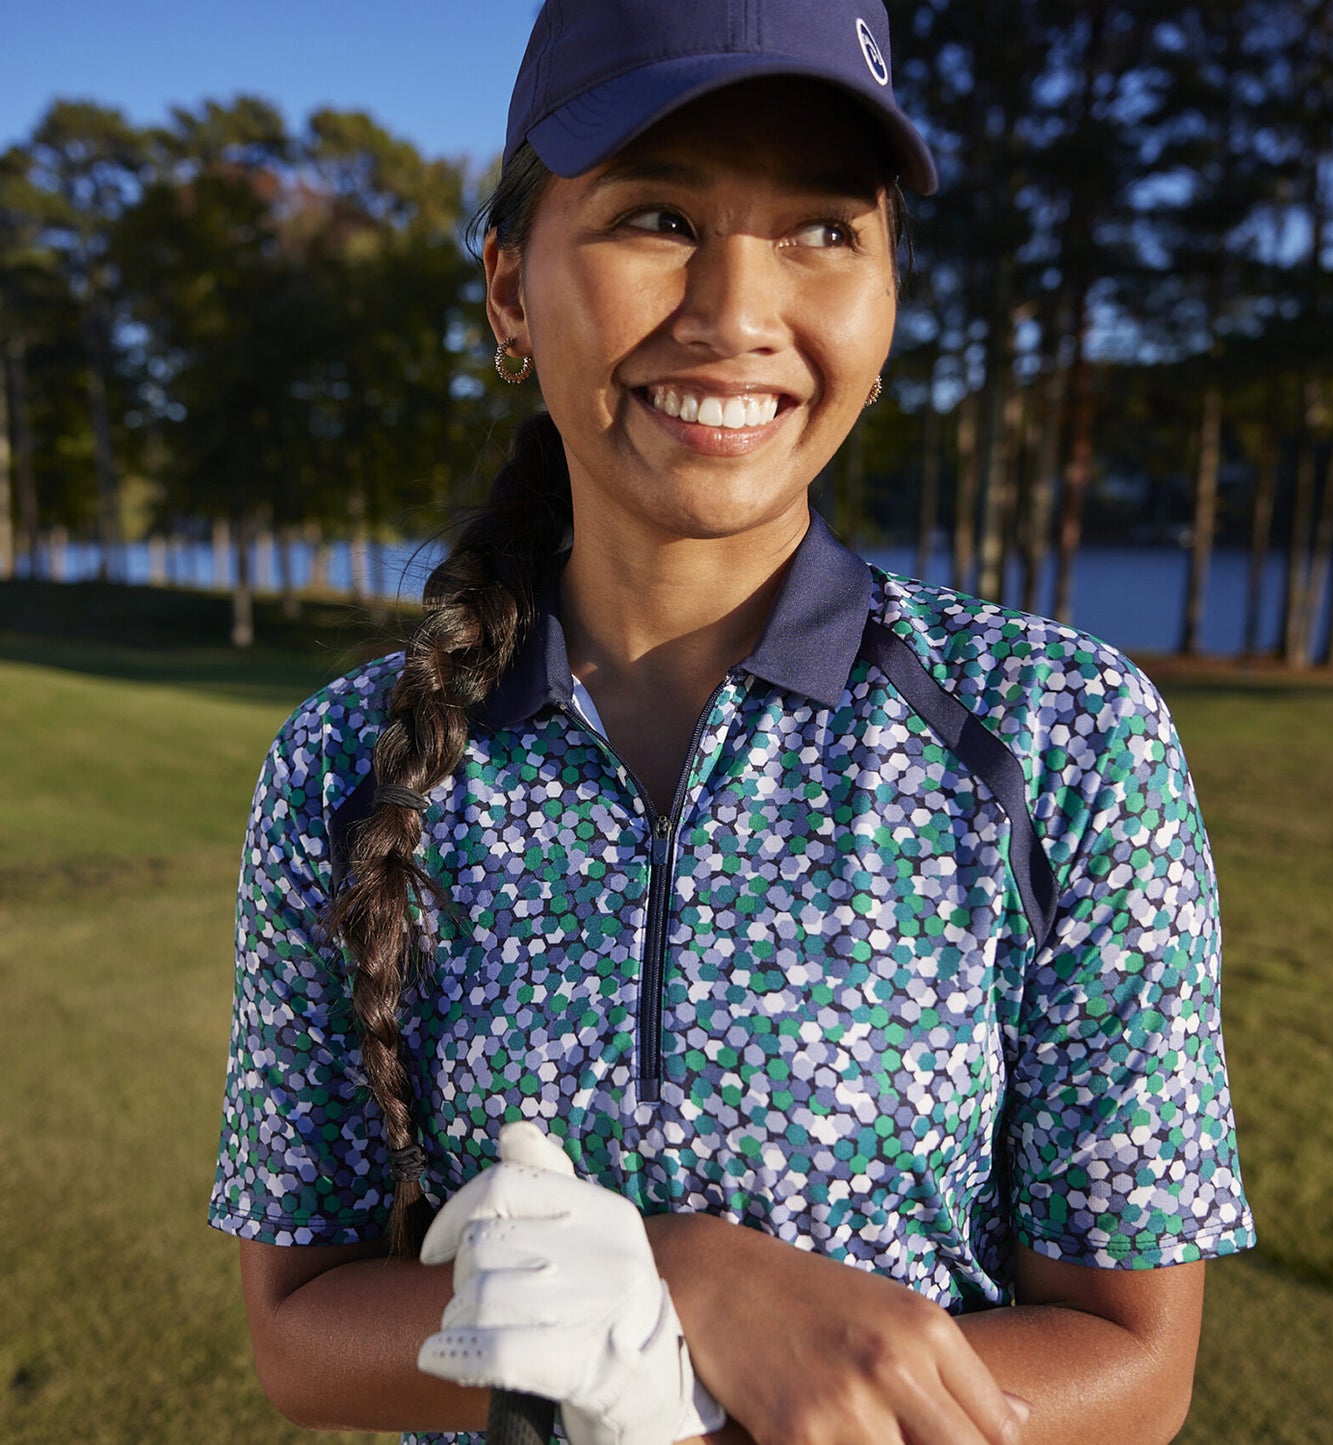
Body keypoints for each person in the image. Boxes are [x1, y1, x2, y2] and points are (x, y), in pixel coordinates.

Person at [209, 2, 1254, 1442]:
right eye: (654, 215)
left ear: (887, 298)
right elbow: (299, 1333)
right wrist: (673, 1281)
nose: (736, 313)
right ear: (510, 291)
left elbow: (1134, 1365)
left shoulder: (1063, 735)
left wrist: (686, 1370)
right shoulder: (345, 764)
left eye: (823, 230)